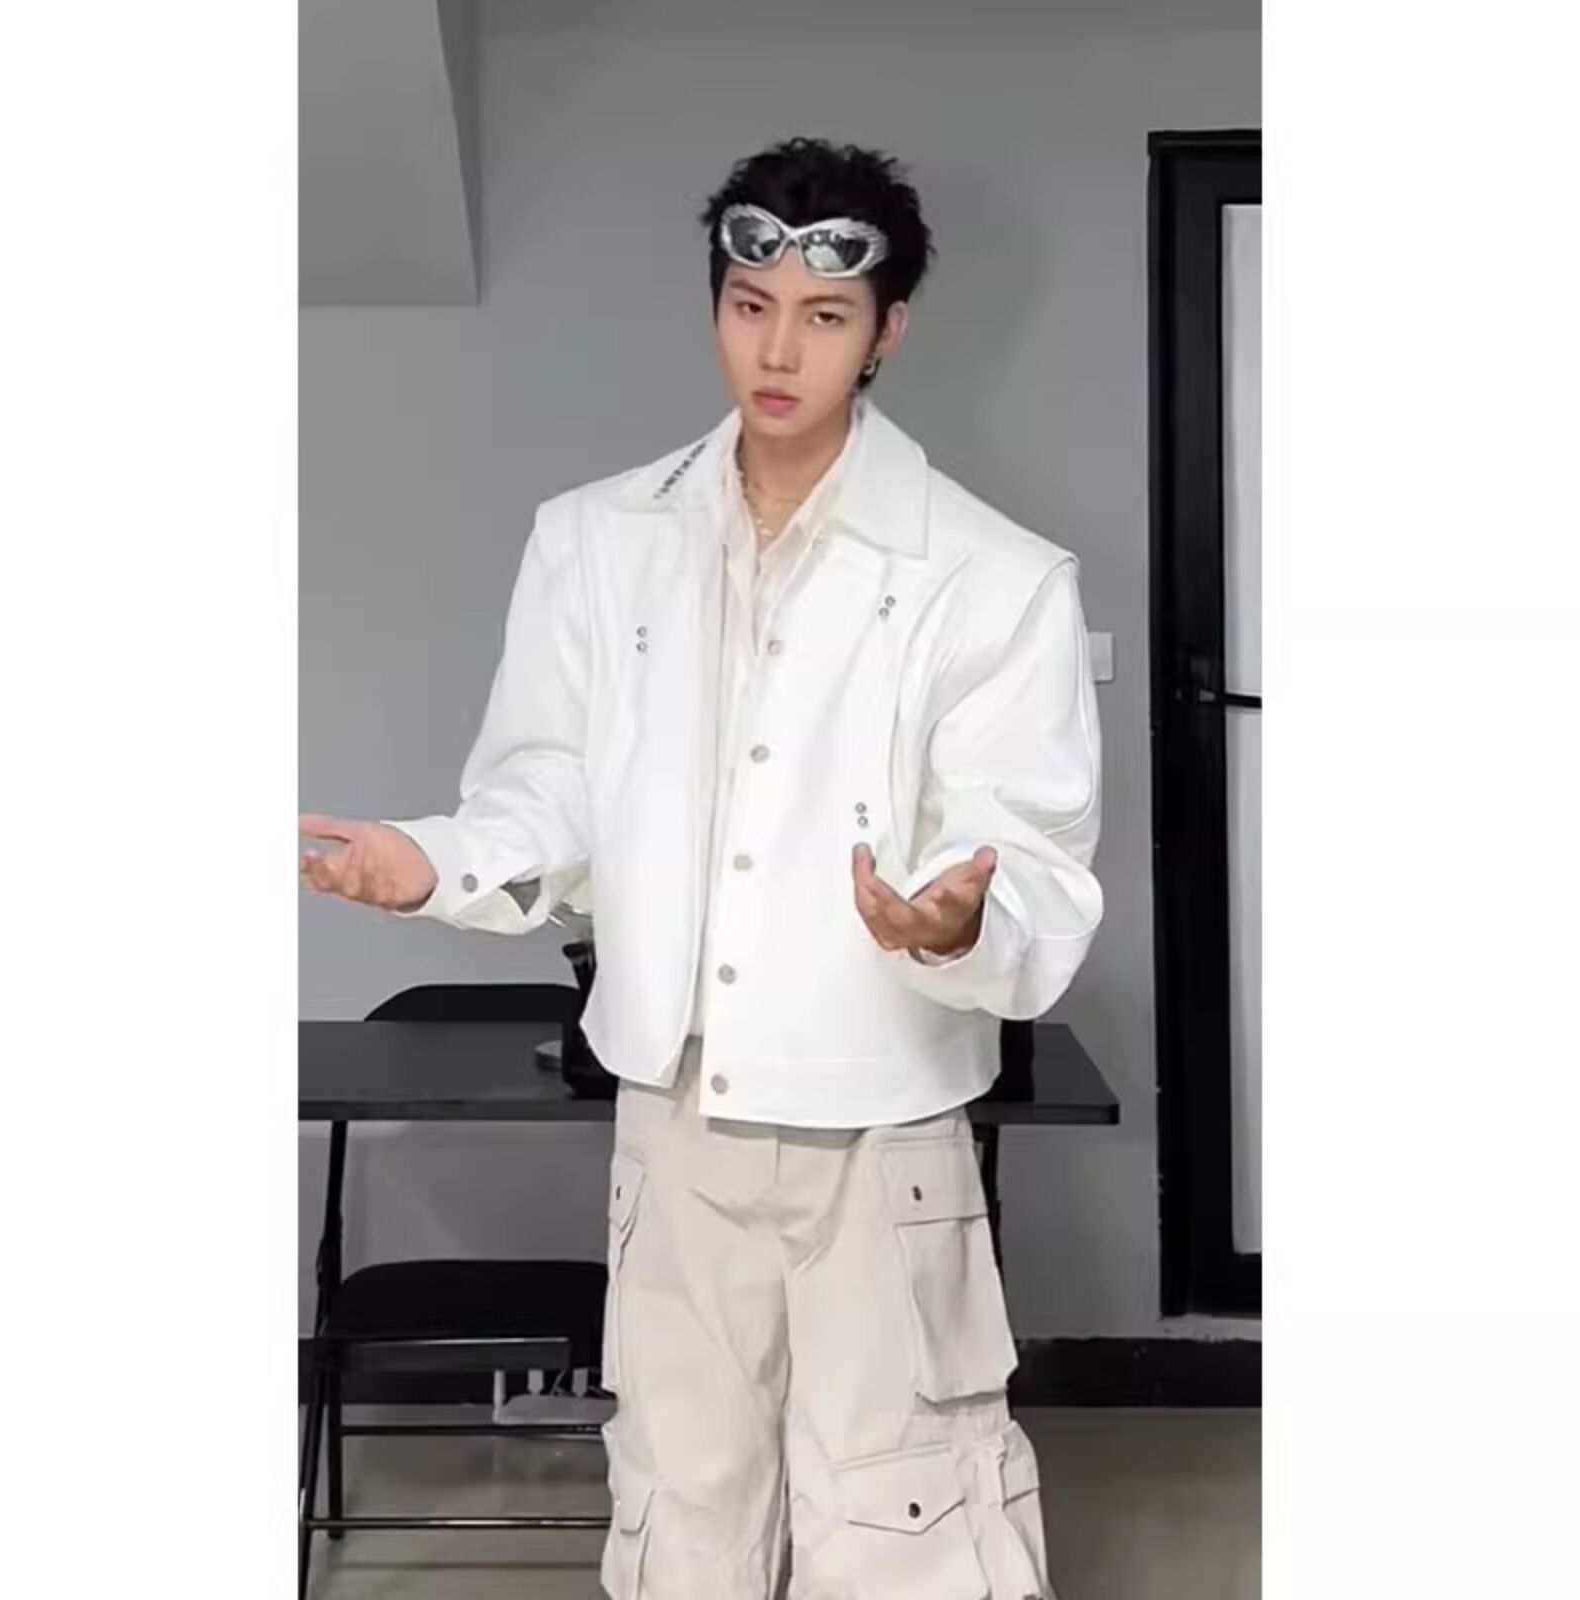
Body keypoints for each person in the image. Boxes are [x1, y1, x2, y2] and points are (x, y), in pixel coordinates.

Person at [301, 135, 1102, 1600]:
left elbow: (1033, 853)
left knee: (906, 1524)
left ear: (888, 329)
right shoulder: (596, 541)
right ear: (716, 306)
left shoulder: (995, 577)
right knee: (683, 1513)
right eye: (750, 306)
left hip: (881, 1127)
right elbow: (548, 789)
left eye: (824, 315)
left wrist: (954, 924)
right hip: (671, 1119)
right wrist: (433, 864)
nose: (779, 350)